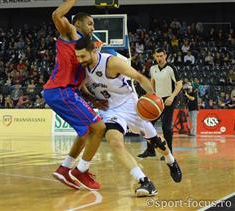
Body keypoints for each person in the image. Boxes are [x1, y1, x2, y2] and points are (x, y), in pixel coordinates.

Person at [75, 37, 182, 196]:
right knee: (114, 141)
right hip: (110, 111)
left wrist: (154, 98)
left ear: (93, 51)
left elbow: (139, 78)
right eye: (78, 56)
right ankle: (145, 182)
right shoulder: (81, 67)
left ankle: (171, 161)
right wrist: (93, 100)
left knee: (157, 142)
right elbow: (81, 87)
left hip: (130, 106)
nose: (80, 60)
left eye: (83, 56)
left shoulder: (111, 63)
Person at [42, 0, 106, 191]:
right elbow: (56, 15)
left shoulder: (84, 48)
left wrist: (93, 99)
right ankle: (81, 170)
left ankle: (64, 169)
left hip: (64, 92)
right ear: (77, 24)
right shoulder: (71, 33)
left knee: (85, 132)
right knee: (99, 128)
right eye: (90, 23)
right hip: (61, 91)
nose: (92, 27)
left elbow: (81, 82)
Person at [138, 48, 183, 160]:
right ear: (154, 56)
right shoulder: (153, 68)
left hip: (169, 99)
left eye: (161, 56)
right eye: (157, 56)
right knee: (148, 124)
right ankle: (150, 150)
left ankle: (169, 152)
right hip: (157, 100)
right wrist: (149, 95)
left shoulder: (171, 68)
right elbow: (152, 82)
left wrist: (172, 97)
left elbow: (179, 84)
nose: (159, 58)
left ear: (165, 56)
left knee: (166, 127)